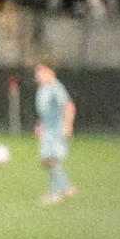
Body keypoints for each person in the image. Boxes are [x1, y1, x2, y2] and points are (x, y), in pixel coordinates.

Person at [34, 61, 76, 205]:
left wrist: (68, 125)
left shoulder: (55, 87)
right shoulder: (43, 88)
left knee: (51, 160)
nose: (37, 74)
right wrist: (40, 125)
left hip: (57, 130)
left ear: (50, 72)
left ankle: (57, 192)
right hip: (47, 130)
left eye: (41, 71)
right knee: (47, 161)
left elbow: (69, 106)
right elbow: (47, 111)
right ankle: (65, 187)